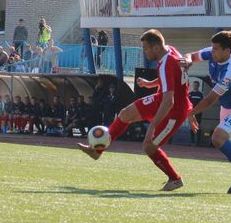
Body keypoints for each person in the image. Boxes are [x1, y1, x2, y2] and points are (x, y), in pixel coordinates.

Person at [78, 30, 193, 192]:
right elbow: (169, 80)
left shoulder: (167, 63)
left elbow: (169, 101)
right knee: (125, 114)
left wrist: (152, 126)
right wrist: (150, 84)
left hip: (174, 111)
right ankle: (98, 150)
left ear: (156, 48)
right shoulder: (169, 51)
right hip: (161, 98)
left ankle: (175, 179)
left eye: (145, 48)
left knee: (149, 146)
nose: (144, 51)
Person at [183, 30, 231, 194]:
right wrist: (188, 61)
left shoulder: (230, 71)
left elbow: (210, 100)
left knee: (217, 137)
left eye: (216, 49)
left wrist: (190, 113)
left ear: (228, 51)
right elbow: (192, 55)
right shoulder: (212, 53)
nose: (212, 51)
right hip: (228, 107)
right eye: (212, 47)